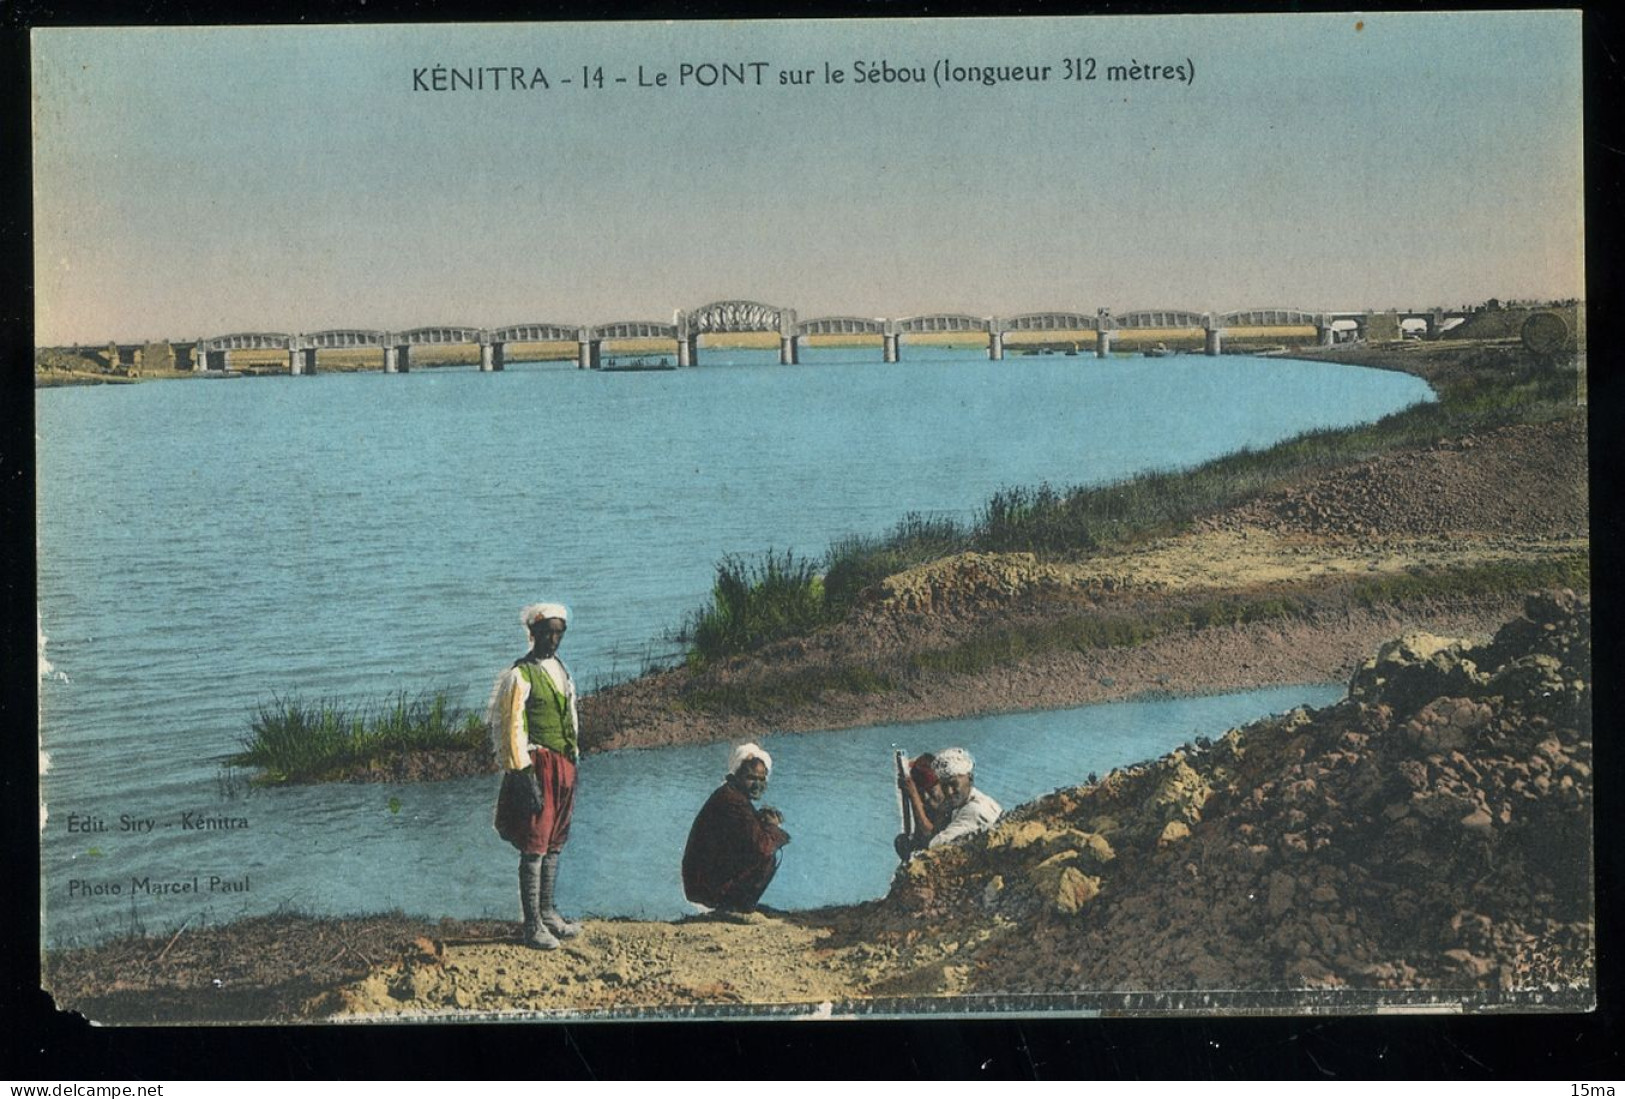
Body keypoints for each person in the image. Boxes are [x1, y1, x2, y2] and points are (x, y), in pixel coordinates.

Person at [491, 602, 582, 950]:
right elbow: (512, 727)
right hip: (537, 765)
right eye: (547, 633)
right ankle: (532, 925)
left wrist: (573, 757)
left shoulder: (560, 669)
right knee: (535, 844)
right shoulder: (520, 675)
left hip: (563, 764)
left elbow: (569, 716)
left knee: (556, 840)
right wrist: (523, 773)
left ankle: (548, 912)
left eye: (559, 633)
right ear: (533, 634)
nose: (553, 640)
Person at [681, 743, 791, 913]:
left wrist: (761, 821)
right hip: (705, 886)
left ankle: (738, 904)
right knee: (770, 853)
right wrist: (771, 826)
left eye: (762, 779)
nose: (757, 784)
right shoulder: (732, 801)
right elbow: (763, 848)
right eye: (751, 778)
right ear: (736, 776)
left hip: (704, 881)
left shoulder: (731, 795)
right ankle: (734, 906)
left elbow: (744, 833)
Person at [899, 747, 1001, 855]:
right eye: (944, 785)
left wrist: (914, 795)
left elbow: (935, 845)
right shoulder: (965, 801)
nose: (949, 792)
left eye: (953, 784)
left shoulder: (975, 809)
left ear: (970, 779)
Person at [894, 751, 948, 859]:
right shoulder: (929, 797)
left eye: (931, 793)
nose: (927, 798)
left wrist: (914, 795)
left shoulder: (948, 803)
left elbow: (929, 833)